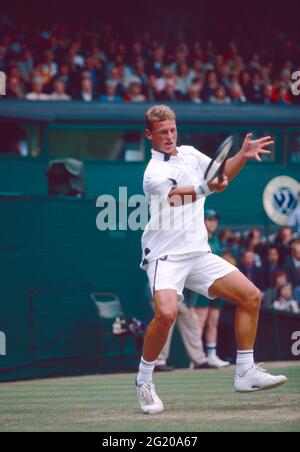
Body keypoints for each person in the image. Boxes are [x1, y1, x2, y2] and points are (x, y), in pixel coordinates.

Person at [135, 105, 287, 415]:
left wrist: (242, 156)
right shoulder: (153, 173)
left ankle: (245, 371)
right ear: (149, 134)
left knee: (251, 296)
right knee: (166, 314)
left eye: (172, 130)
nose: (169, 136)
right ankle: (144, 381)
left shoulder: (190, 154)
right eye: (162, 132)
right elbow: (177, 195)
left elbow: (220, 175)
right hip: (165, 255)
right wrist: (207, 187)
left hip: (198, 253)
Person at [188, 209, 230, 369]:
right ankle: (196, 358)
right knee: (200, 323)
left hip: (217, 286)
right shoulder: (198, 239)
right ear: (202, 221)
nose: (213, 222)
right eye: (209, 219)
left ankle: (212, 356)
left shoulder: (216, 239)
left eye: (214, 219)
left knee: (213, 322)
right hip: (201, 288)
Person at [146, 284, 208, 372]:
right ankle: (158, 362)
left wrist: (191, 305)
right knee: (165, 327)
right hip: (161, 295)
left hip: (182, 299)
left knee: (191, 322)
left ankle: (200, 360)